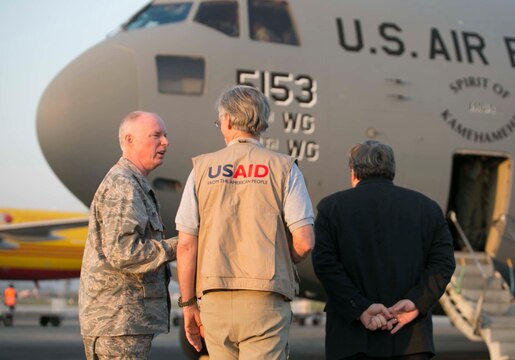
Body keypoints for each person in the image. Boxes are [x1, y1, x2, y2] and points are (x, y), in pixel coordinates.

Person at [175, 85, 315, 359]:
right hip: (265, 300)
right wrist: (280, 259)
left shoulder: (201, 169)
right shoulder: (284, 168)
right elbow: (305, 241)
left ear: (227, 121)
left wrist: (189, 304)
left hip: (214, 302)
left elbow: (186, 245)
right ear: (262, 122)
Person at [312, 141, 456, 360]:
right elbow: (443, 264)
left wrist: (360, 307)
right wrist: (417, 302)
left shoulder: (331, 208)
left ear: (353, 172)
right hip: (411, 341)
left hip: (351, 341)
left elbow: (325, 265)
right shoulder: (428, 209)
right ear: (392, 171)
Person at [78, 111, 178, 360]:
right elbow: (124, 253)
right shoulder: (123, 184)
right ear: (129, 140)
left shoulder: (134, 183)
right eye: (156, 135)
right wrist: (179, 245)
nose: (165, 142)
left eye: (165, 135)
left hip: (124, 322)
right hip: (117, 324)